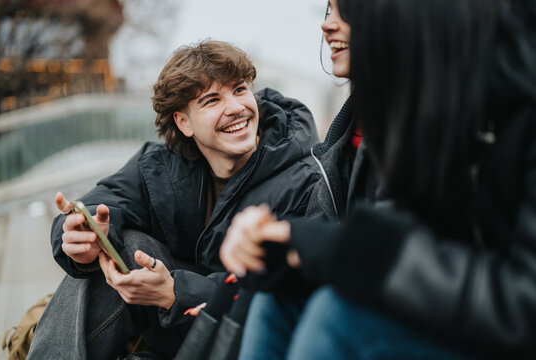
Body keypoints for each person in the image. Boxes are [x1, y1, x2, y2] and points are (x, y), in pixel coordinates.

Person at [221, 0, 536, 358]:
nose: (328, 25)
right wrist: (295, 250)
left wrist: (344, 250)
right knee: (282, 295)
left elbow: (521, 303)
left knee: (340, 318)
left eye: (354, 10)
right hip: (465, 310)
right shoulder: (445, 103)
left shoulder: (489, 99)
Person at [27, 40, 320, 360]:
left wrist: (175, 293)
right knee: (117, 249)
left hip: (243, 340)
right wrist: (78, 236)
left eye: (239, 89)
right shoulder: (160, 165)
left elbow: (286, 294)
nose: (236, 107)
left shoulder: (304, 180)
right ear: (184, 122)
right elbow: (105, 200)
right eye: (212, 100)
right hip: (172, 331)